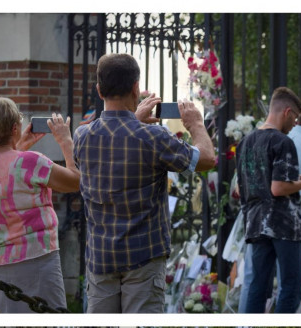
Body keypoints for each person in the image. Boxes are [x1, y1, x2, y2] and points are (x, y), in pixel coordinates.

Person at [73, 52, 215, 313]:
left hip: (101, 257)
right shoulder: (153, 136)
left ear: (99, 90)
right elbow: (206, 160)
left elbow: (114, 143)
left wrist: (133, 120)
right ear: (136, 88)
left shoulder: (82, 136)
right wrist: (195, 124)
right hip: (143, 258)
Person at [0, 96, 80, 313]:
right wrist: (66, 143)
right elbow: (75, 182)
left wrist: (18, 145)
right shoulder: (31, 161)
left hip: (0, 263)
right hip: (39, 259)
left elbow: (5, 173)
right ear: (15, 127)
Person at [238, 101, 301, 313]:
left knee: (256, 286)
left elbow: (244, 184)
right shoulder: (285, 142)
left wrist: (294, 179)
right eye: (294, 116)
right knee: (289, 287)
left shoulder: (247, 141)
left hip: (256, 222)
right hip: (285, 224)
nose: (294, 122)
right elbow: (279, 188)